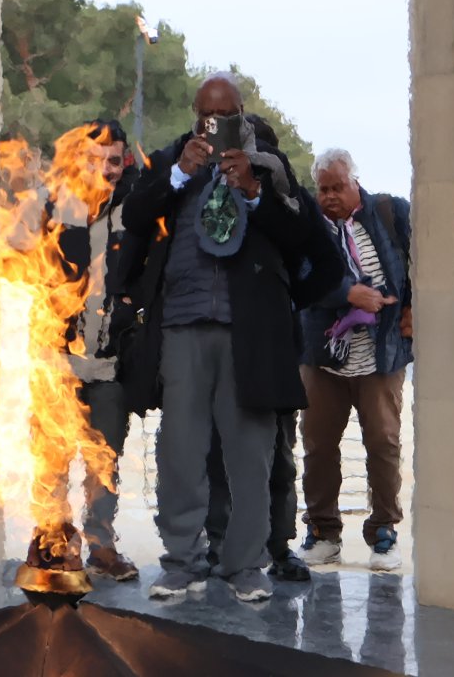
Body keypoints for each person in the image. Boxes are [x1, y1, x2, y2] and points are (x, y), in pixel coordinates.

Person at [117, 75, 340, 604]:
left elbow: (306, 238)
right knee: (180, 453)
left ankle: (244, 566)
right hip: (182, 328)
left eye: (226, 114)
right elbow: (135, 213)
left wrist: (256, 192)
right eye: (205, 115)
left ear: (243, 113)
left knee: (249, 457)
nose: (214, 125)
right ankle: (181, 564)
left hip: (251, 335)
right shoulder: (174, 161)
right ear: (195, 114)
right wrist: (179, 173)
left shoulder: (270, 168)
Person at [204, 116, 310, 582]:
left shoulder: (281, 201)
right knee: (232, 452)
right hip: (231, 337)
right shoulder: (209, 197)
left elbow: (307, 257)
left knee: (273, 455)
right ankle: (234, 544)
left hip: (270, 341)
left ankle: (269, 543)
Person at [297, 148, 413, 572]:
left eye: (336, 187)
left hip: (382, 356)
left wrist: (413, 307)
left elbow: (421, 261)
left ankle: (384, 534)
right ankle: (323, 532)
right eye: (322, 188)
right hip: (322, 356)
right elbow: (301, 278)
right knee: (318, 445)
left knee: (383, 443)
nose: (328, 196)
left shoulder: (390, 213)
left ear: (355, 182)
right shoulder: (307, 225)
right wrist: (346, 294)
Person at [45, 120, 140, 581]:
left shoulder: (134, 209)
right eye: (97, 158)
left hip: (110, 362)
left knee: (105, 462)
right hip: (55, 362)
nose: (108, 168)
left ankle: (101, 545)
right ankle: (54, 545)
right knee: (52, 460)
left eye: (115, 159)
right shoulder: (52, 203)